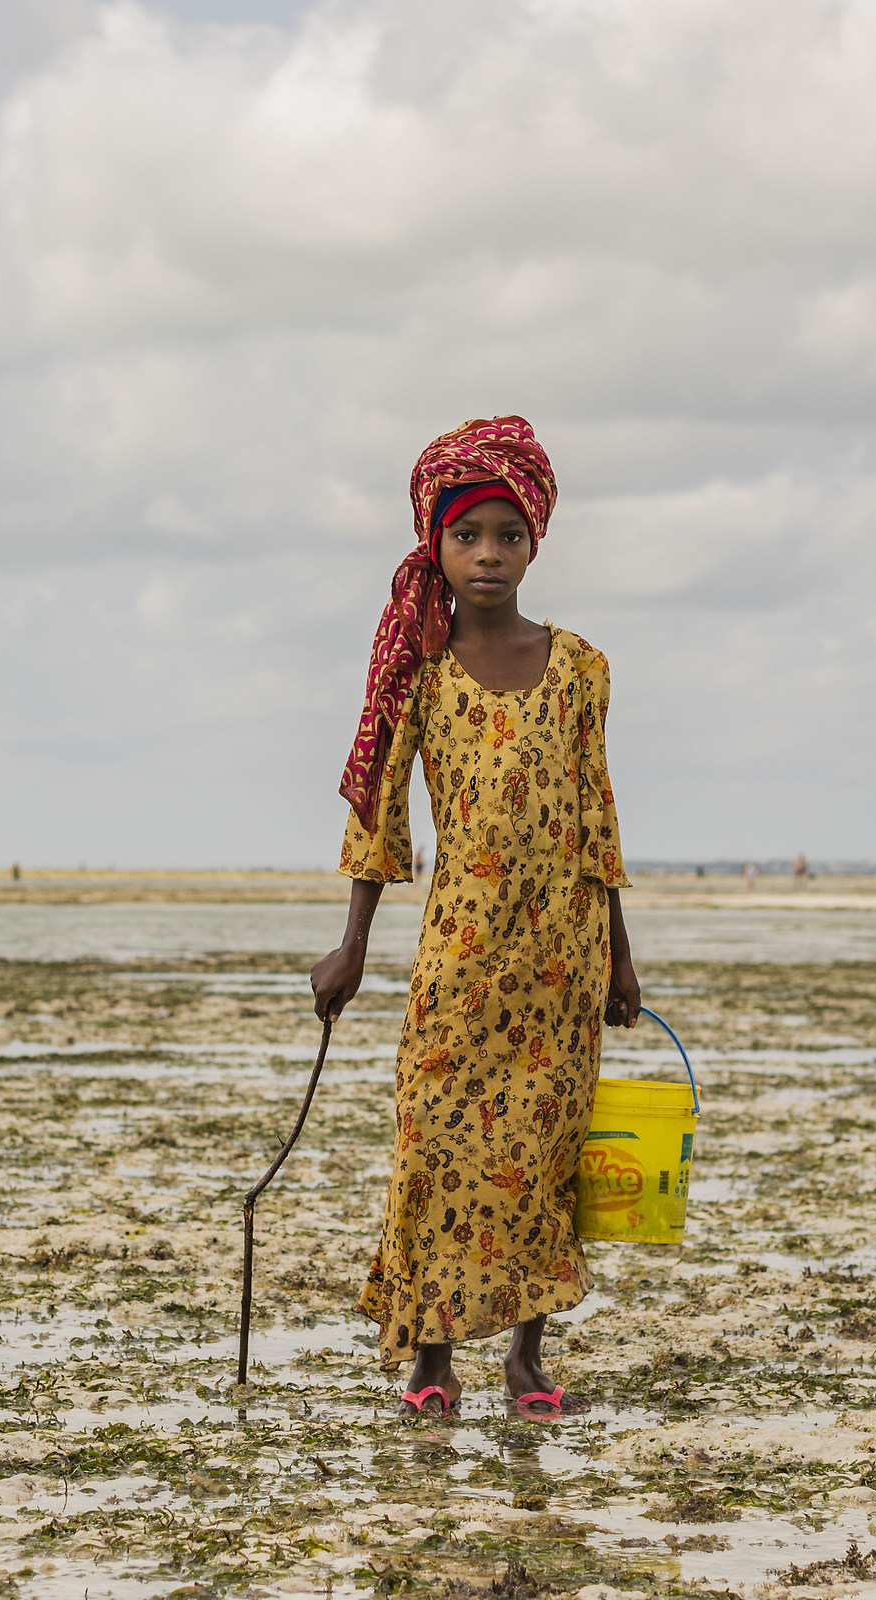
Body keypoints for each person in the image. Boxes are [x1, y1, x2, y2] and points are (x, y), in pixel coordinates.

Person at [311, 415, 639, 1422]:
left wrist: (622, 961)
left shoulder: (579, 666)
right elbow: (382, 811)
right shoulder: (419, 664)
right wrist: (354, 942)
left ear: (535, 540)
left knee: (544, 1154)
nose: (487, 555)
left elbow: (597, 814)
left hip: (562, 959)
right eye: (468, 536)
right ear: (436, 546)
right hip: (461, 952)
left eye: (506, 534)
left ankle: (527, 1366)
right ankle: (432, 1361)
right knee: (436, 1144)